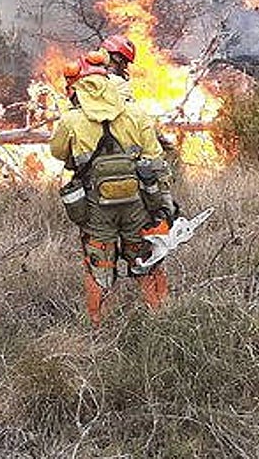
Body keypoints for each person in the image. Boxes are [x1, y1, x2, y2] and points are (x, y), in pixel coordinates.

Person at [49, 61, 178, 325]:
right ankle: (162, 320)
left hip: (96, 210)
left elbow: (58, 152)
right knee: (147, 262)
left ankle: (101, 332)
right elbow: (156, 162)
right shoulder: (136, 115)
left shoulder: (72, 119)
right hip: (138, 208)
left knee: (100, 270)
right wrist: (164, 204)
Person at [99, 33, 136, 102]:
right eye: (125, 62)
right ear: (117, 58)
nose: (125, 67)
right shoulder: (119, 83)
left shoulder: (84, 70)